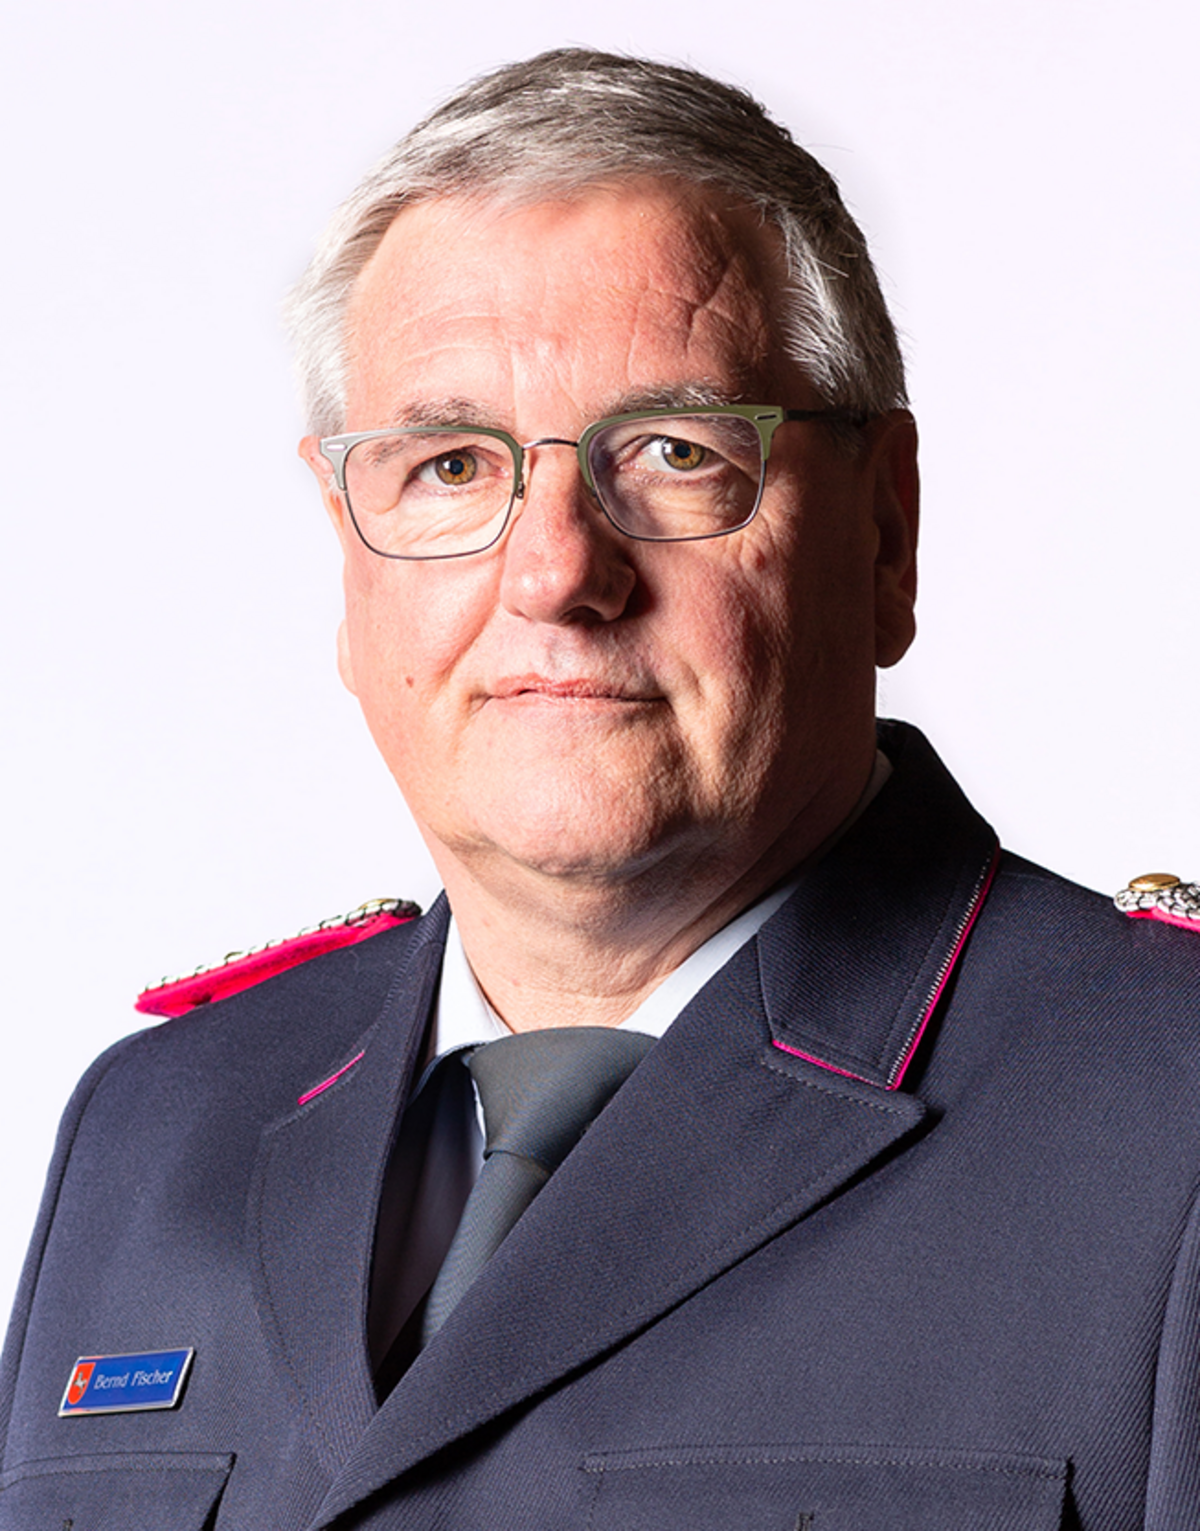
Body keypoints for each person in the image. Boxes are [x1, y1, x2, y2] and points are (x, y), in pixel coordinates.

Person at [1, 49, 1199, 1531]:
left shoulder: (1169, 1128)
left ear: (886, 532)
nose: (556, 571)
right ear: (346, 553)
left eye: (675, 452)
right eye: (450, 466)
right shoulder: (147, 1134)